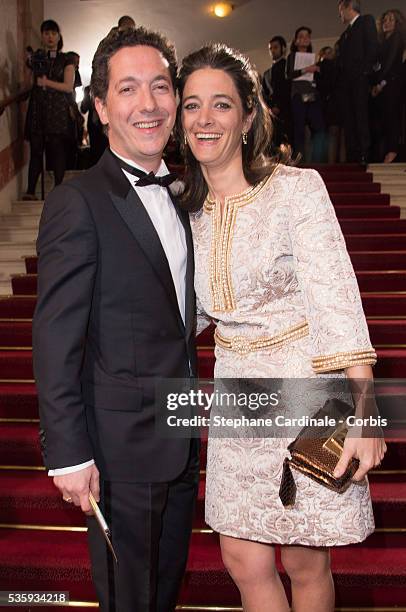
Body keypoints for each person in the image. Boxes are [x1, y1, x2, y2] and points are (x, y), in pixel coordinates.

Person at [177, 42, 386, 612]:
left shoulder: (297, 190)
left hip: (309, 390)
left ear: (248, 116)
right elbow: (189, 312)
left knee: (303, 558)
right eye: (192, 105)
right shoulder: (182, 208)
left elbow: (337, 296)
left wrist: (366, 410)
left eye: (221, 105)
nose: (205, 119)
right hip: (236, 395)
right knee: (242, 559)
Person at [33, 26, 199, 612]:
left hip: (181, 437)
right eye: (127, 89)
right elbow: (56, 341)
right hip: (119, 452)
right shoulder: (77, 202)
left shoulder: (182, 196)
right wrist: (70, 456)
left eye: (160, 86)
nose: (148, 104)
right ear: (101, 105)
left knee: (164, 594)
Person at [23, 19, 76, 200]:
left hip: (58, 111)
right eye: (46, 33)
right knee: (36, 150)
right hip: (39, 108)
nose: (50, 37)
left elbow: (68, 86)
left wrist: (46, 83)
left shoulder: (66, 58)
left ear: (59, 36)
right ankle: (30, 191)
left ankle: (59, 190)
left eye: (53, 33)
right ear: (42, 36)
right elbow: (29, 84)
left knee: (57, 149)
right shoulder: (38, 57)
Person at [336, 0, 379, 163]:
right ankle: (353, 153)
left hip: (360, 80)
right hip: (346, 84)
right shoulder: (345, 34)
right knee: (350, 118)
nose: (339, 14)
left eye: (340, 10)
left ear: (348, 7)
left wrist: (364, 72)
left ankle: (365, 153)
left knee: (361, 115)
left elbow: (372, 47)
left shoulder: (366, 21)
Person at [371, 9, 406, 163]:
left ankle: (392, 150)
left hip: (392, 84)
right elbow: (377, 66)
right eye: (385, 20)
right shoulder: (382, 42)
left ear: (397, 23)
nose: (387, 22)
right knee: (383, 118)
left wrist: (381, 84)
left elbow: (392, 65)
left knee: (392, 117)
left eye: (391, 20)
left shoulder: (398, 38)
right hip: (382, 86)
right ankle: (387, 150)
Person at [286, 26, 325, 161]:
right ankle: (299, 160)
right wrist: (306, 70)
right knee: (299, 129)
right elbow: (289, 75)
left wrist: (318, 71)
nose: (304, 39)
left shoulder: (315, 57)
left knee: (319, 128)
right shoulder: (292, 56)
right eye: (301, 36)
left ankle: (317, 160)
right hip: (298, 94)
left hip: (313, 94)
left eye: (307, 36)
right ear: (296, 41)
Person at [262, 36, 291, 146]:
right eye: (270, 48)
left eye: (275, 47)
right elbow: (264, 94)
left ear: (283, 48)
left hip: (286, 111)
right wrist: (270, 108)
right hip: (271, 113)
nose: (272, 50)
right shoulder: (267, 73)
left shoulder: (287, 67)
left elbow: (286, 88)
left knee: (286, 141)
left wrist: (278, 106)